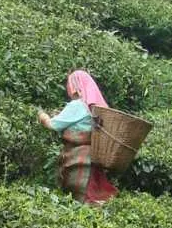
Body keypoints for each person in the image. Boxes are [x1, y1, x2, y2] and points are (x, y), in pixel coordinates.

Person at [37, 70, 119, 205]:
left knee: (81, 200)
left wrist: (42, 115)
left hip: (78, 156)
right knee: (92, 197)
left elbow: (53, 125)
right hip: (92, 157)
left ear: (74, 86)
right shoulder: (93, 108)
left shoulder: (78, 105)